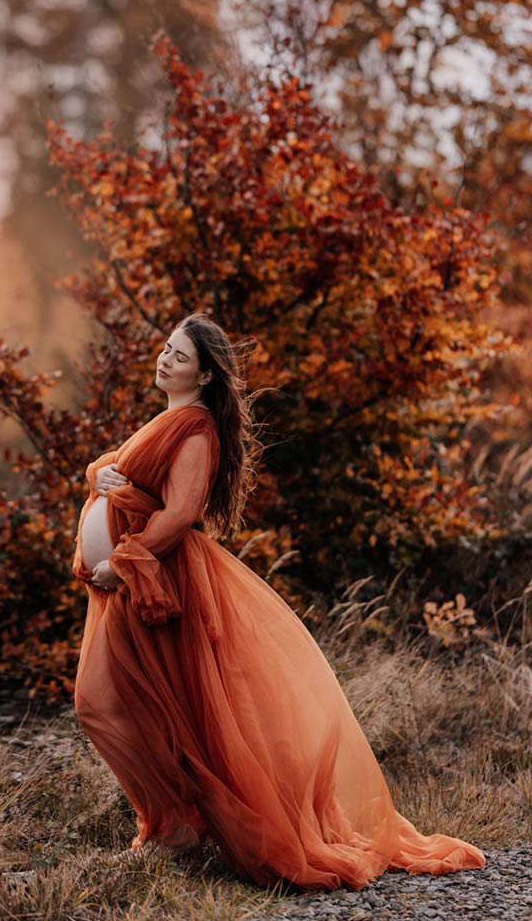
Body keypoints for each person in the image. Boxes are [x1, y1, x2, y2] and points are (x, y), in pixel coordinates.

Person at [71, 312, 485, 890]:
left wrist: (123, 561)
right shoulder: (168, 418)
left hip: (156, 580)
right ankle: (174, 826)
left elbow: (183, 511)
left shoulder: (195, 430)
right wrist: (108, 485)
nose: (165, 360)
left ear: (206, 376)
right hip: (140, 582)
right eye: (166, 349)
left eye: (180, 357)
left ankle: (177, 828)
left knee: (116, 701)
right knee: (136, 704)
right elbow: (141, 487)